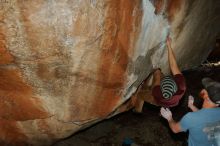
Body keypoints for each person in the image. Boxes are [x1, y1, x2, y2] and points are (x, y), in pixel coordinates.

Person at [160, 77, 220, 146]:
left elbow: (175, 129)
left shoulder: (190, 117)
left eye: (205, 89)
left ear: (206, 96)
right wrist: (191, 106)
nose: (203, 89)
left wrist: (169, 117)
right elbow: (204, 117)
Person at [133, 36, 186, 112]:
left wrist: (156, 71)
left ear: (161, 88)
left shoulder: (157, 93)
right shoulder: (181, 85)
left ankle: (137, 110)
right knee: (158, 74)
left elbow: (157, 80)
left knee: (140, 95)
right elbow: (173, 65)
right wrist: (169, 46)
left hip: (159, 100)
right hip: (172, 101)